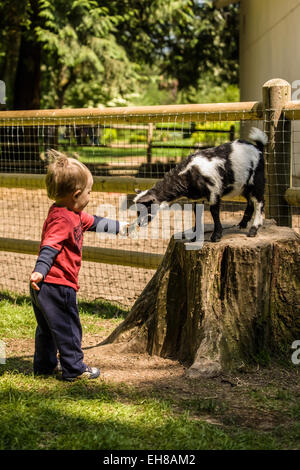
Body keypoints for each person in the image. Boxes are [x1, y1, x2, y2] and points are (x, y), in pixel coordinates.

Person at [30, 150, 127, 381]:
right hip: (55, 285)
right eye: (89, 192)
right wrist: (40, 271)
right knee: (69, 329)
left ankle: (44, 366)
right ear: (76, 194)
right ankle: (74, 369)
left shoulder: (70, 212)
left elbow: (94, 222)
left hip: (44, 286)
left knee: (47, 330)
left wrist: (121, 226)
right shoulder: (62, 219)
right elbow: (49, 247)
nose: (90, 196)